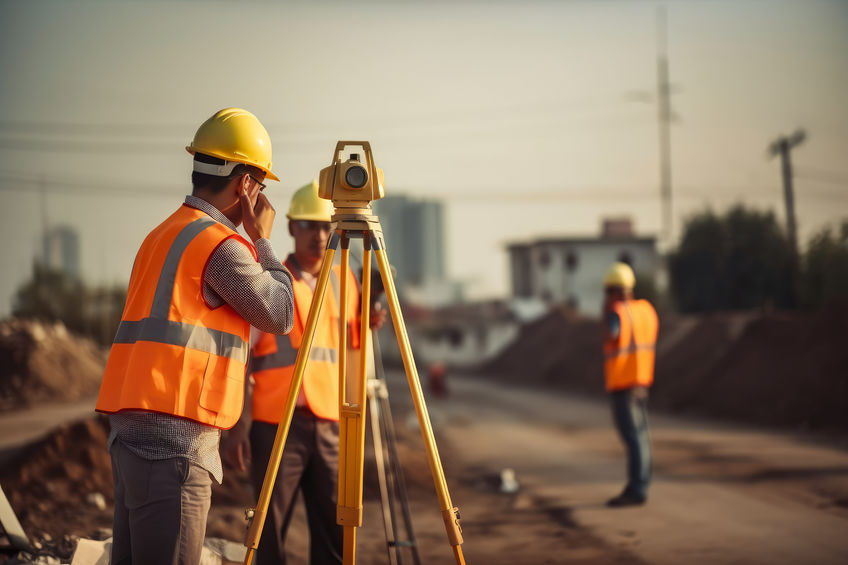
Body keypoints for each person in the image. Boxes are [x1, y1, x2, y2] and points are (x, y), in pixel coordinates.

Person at [95, 107, 295, 565]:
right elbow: (280, 314)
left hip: (132, 437)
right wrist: (262, 240)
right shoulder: (222, 246)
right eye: (260, 185)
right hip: (174, 449)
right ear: (245, 184)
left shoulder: (162, 234)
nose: (261, 196)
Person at [225, 180, 386, 565]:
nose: (319, 234)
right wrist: (237, 425)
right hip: (276, 424)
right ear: (292, 227)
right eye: (309, 225)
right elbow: (242, 359)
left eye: (325, 225)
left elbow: (346, 345)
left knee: (334, 533)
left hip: (330, 423)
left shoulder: (347, 279)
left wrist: (369, 322)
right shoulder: (270, 280)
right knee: (269, 534)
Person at [602, 262, 659, 508]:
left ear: (613, 289)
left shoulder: (617, 312)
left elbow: (611, 335)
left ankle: (637, 489)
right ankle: (641, 483)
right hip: (642, 381)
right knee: (642, 437)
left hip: (624, 383)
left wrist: (606, 315)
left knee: (633, 437)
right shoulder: (646, 310)